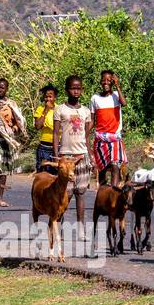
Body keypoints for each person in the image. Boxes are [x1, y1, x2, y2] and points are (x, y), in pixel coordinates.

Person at [53, 74, 93, 232]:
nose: (75, 91)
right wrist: (57, 155)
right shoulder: (60, 110)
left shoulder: (86, 111)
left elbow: (86, 136)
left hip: (82, 155)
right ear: (66, 90)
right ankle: (59, 224)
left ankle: (81, 228)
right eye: (72, 88)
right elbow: (56, 133)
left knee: (80, 193)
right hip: (66, 156)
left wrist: (91, 156)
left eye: (78, 88)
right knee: (65, 193)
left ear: (82, 90)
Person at [91, 70, 127, 187]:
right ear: (100, 82)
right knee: (102, 169)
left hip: (115, 138)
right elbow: (92, 120)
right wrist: (85, 134)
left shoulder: (116, 95)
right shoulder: (95, 98)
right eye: (103, 80)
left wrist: (117, 85)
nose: (106, 83)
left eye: (109, 80)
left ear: (112, 82)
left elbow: (124, 103)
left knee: (115, 167)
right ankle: (102, 196)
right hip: (100, 138)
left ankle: (113, 194)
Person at [33, 84, 58, 172]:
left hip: (57, 147)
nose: (48, 99)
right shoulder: (40, 109)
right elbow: (38, 126)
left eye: (50, 97)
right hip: (44, 147)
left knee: (55, 173)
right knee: (42, 172)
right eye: (46, 97)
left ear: (55, 97)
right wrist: (45, 111)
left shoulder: (59, 110)